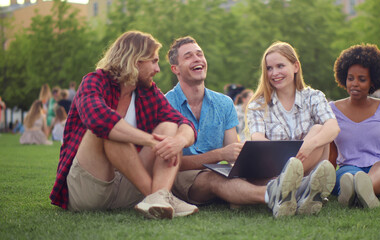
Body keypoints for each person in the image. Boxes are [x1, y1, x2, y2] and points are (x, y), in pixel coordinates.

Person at [49, 30, 198, 220]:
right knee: (107, 131)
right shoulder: (94, 81)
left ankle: (158, 198)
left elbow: (184, 123)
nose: (158, 69)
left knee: (169, 127)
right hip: (89, 189)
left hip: (128, 188)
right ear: (136, 62)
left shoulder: (147, 92)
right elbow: (98, 120)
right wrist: (152, 142)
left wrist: (178, 141)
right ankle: (158, 197)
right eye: (153, 61)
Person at [165, 36, 304, 218]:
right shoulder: (166, 104)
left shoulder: (224, 103)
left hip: (218, 172)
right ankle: (273, 196)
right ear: (175, 69)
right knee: (215, 178)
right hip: (184, 178)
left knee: (255, 175)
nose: (197, 59)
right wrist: (219, 155)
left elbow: (233, 155)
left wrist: (247, 164)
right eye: (188, 56)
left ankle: (298, 191)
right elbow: (170, 163)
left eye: (200, 54)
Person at [246, 41, 339, 215]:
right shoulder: (258, 105)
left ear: (295, 66)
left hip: (310, 163)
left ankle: (296, 190)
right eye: (269, 68)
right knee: (286, 158)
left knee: (320, 129)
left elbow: (333, 127)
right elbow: (257, 138)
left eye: (280, 66)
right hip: (273, 169)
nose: (274, 73)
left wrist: (309, 145)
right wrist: (286, 162)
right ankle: (302, 191)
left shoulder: (313, 96)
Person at [329, 43, 380, 209]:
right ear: (344, 78)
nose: (354, 83)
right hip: (348, 169)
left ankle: (362, 190)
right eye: (350, 78)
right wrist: (324, 184)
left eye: (361, 79)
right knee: (349, 176)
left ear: (373, 82)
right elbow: (332, 153)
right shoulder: (332, 110)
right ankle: (361, 192)